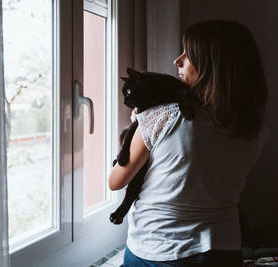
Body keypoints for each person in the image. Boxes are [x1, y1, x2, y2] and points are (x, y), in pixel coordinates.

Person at [108, 20, 269, 266]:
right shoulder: (254, 127)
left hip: (160, 250)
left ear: (212, 64)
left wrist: (140, 125)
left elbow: (115, 181)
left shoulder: (163, 116)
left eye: (188, 53)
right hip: (224, 249)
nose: (177, 60)